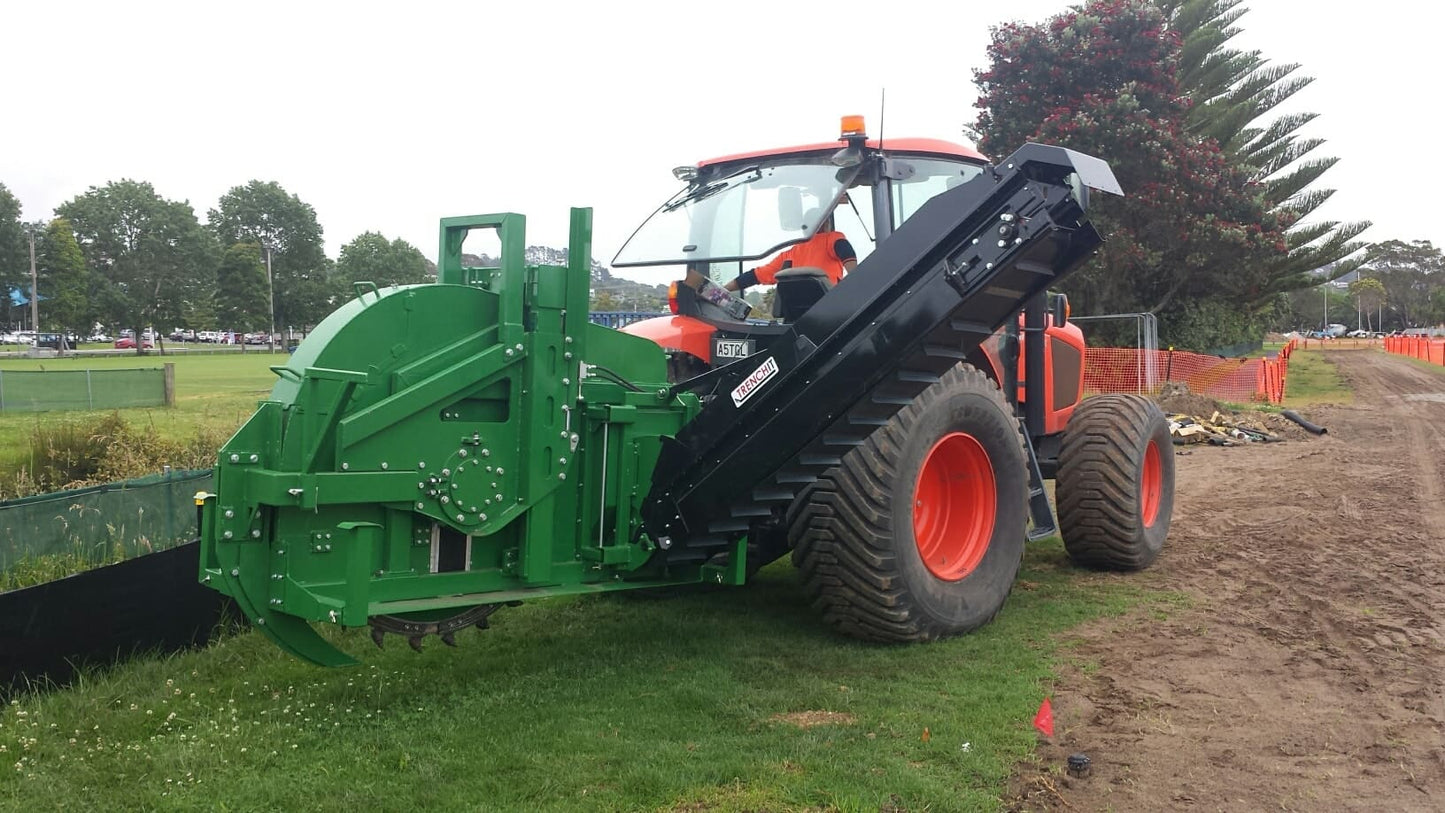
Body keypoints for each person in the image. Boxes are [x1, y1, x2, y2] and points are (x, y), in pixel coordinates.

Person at [724, 208, 857, 293]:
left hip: (795, 317)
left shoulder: (789, 254)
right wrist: (857, 279)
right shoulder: (831, 238)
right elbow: (845, 250)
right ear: (827, 224)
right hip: (830, 309)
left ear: (806, 227)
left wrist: (722, 291)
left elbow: (753, 276)